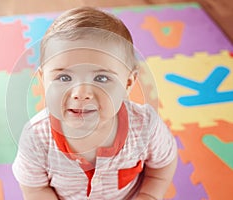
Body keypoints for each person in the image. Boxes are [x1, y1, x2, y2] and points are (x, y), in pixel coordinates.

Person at [12, 6, 177, 200]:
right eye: (64, 77)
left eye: (101, 79)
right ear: (42, 80)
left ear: (128, 83)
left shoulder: (146, 127)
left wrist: (149, 195)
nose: (81, 94)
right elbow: (35, 189)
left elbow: (163, 165)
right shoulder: (37, 138)